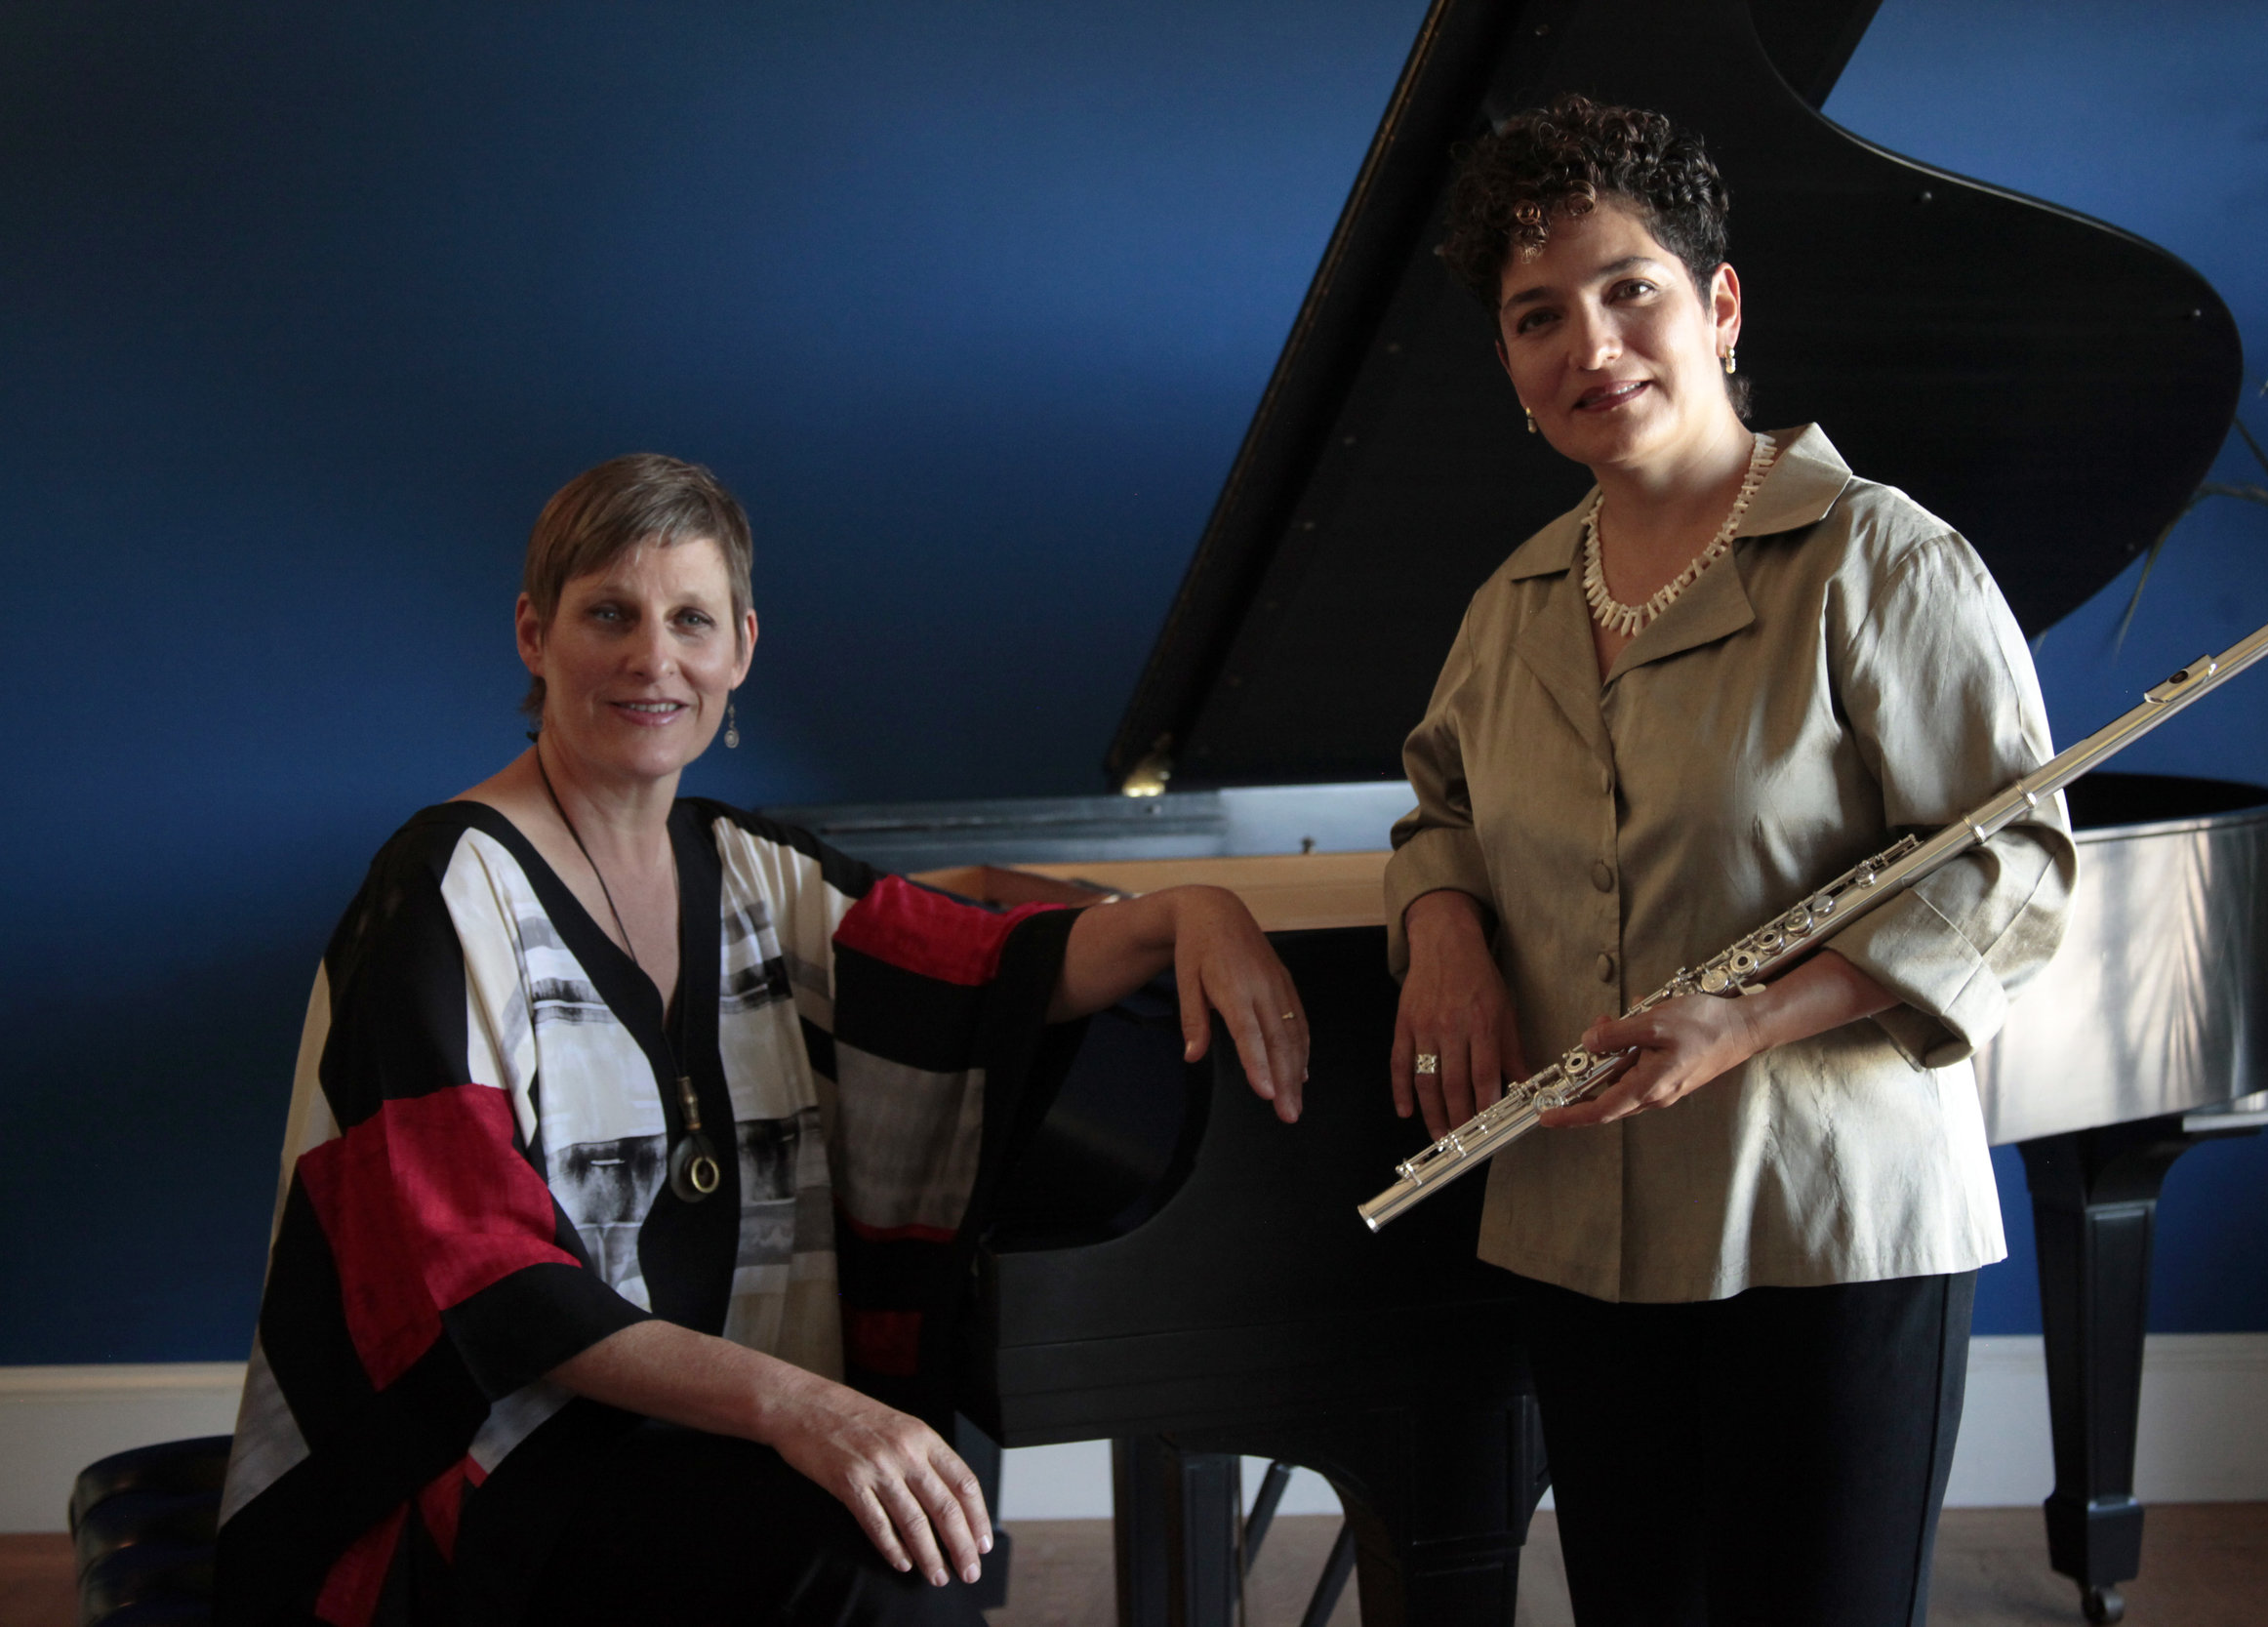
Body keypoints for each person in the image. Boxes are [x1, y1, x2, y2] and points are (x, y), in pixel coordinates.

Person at [215, 454, 1311, 1627]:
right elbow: (479, 1275)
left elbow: (979, 968)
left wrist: (1187, 912)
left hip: (704, 1437)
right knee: (883, 1579)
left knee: (907, 1555)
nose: (654, 658)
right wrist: (802, 1405)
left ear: (740, 647)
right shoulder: (445, 889)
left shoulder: (750, 869)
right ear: (535, 634)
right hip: (486, 1467)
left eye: (691, 619)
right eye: (609, 614)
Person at [1383, 99, 2076, 1627]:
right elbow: (1439, 806)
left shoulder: (1881, 558)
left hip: (1830, 1228)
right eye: (1538, 316)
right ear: (1508, 360)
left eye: (1629, 288)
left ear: (1720, 304)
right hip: (1583, 1226)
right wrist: (1441, 920)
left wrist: (1752, 1017)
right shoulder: (1510, 605)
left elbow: (2013, 865)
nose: (1591, 345)